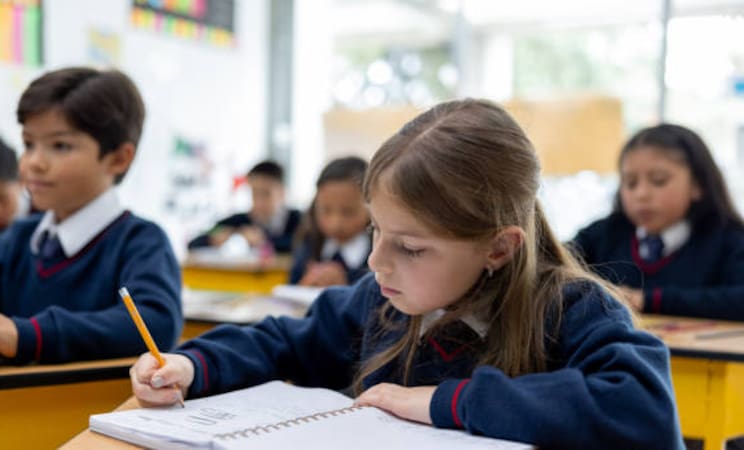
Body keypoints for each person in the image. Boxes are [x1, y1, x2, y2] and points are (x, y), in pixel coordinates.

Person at [129, 99, 683, 449]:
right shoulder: (382, 301)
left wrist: (445, 402)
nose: (375, 262)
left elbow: (644, 412)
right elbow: (283, 341)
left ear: (497, 249)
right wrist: (191, 364)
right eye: (376, 232)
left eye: (411, 248)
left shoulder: (574, 309)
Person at [0, 67, 182, 364]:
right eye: (29, 144)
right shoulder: (21, 237)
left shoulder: (140, 241)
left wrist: (24, 335)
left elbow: (155, 325)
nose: (34, 162)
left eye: (60, 146)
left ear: (118, 158)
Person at [571, 124, 744, 320]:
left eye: (659, 181)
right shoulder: (604, 234)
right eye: (630, 183)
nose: (642, 194)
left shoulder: (729, 241)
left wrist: (648, 300)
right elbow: (551, 266)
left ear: (698, 185)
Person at [289, 156, 371, 286]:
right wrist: (305, 284)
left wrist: (346, 289)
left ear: (371, 207)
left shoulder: (379, 255)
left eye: (348, 212)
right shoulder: (308, 245)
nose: (335, 224)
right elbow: (291, 288)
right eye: (326, 210)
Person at [188, 160, 301, 254]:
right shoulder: (241, 220)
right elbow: (196, 241)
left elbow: (301, 246)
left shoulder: (299, 220)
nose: (259, 202)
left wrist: (263, 241)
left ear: (282, 193)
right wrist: (217, 238)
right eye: (254, 193)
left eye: (266, 194)